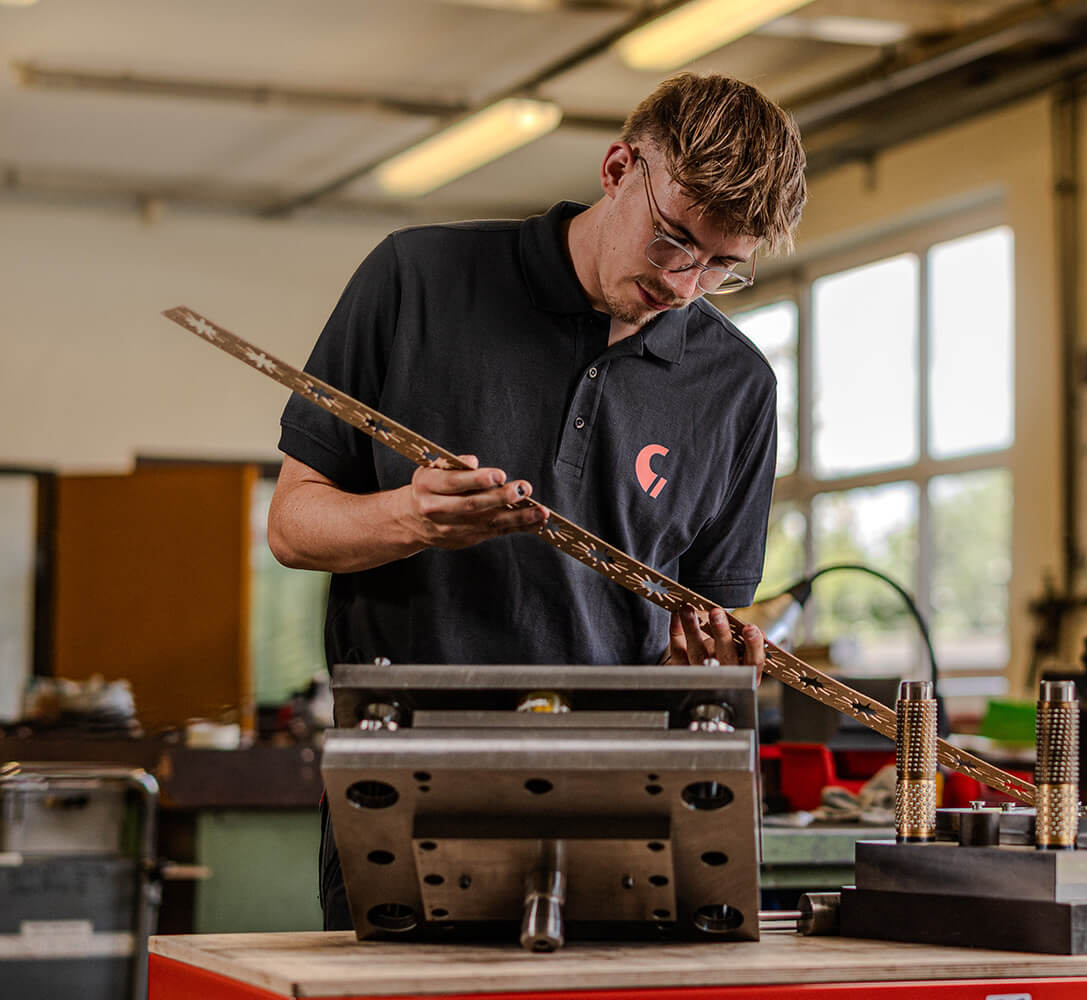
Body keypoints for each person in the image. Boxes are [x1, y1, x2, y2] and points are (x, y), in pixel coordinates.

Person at [266, 73, 807, 929]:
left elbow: (697, 645)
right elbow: (293, 526)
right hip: (409, 775)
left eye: (722, 268)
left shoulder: (736, 387)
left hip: (625, 791)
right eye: (673, 242)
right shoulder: (416, 279)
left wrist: (710, 667)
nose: (684, 285)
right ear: (619, 167)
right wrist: (411, 518)